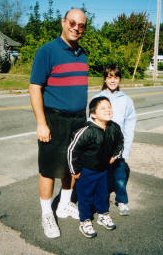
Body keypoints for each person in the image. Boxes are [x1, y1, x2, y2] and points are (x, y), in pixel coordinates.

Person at [29, 9, 88, 238]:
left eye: (81, 25)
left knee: (71, 166)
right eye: (72, 22)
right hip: (54, 118)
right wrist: (41, 123)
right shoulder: (47, 51)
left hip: (78, 119)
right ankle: (47, 214)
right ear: (64, 22)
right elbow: (35, 87)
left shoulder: (82, 53)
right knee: (48, 169)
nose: (76, 27)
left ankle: (63, 206)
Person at [67, 96, 124, 238]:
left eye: (109, 107)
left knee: (103, 194)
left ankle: (103, 214)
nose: (108, 110)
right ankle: (85, 220)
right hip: (87, 171)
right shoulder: (87, 130)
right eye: (103, 108)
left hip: (104, 170)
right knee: (85, 196)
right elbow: (72, 151)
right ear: (93, 114)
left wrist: (115, 156)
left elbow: (120, 143)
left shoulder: (114, 127)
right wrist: (75, 170)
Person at [94, 65, 136, 216]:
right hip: (101, 145)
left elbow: (130, 126)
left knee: (119, 176)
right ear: (105, 79)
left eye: (116, 77)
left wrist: (126, 148)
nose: (113, 80)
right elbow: (90, 122)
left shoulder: (126, 100)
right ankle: (100, 202)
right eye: (110, 77)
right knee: (101, 175)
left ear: (119, 79)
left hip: (118, 146)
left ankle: (122, 201)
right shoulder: (97, 98)